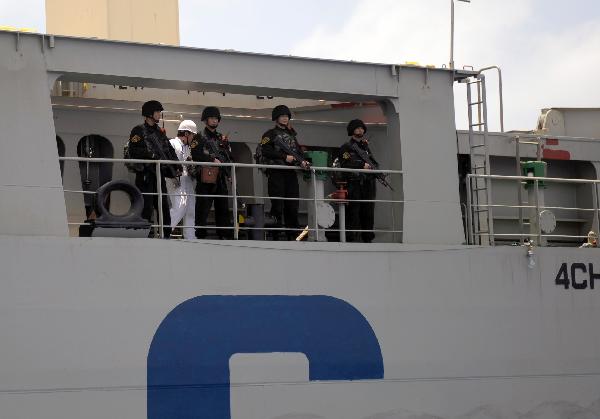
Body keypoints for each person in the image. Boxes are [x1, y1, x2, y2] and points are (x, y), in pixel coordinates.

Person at [126, 100, 180, 238]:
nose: (159, 115)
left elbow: (169, 150)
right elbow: (134, 150)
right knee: (146, 205)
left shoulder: (159, 132)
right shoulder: (138, 130)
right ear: (149, 113)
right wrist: (151, 155)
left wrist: (176, 165)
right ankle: (144, 234)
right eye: (157, 112)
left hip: (158, 174)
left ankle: (166, 233)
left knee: (163, 206)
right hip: (145, 174)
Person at [259, 105, 310, 240]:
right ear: (276, 118)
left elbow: (298, 152)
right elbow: (265, 150)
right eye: (282, 116)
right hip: (277, 173)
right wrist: (283, 157)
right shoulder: (270, 134)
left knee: (292, 205)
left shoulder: (292, 135)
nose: (285, 118)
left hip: (290, 174)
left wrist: (302, 161)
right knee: (277, 205)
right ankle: (274, 235)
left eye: (286, 116)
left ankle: (293, 235)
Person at [191, 106, 233, 239]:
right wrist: (211, 159)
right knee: (202, 209)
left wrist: (229, 172)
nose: (214, 121)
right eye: (211, 118)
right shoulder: (199, 137)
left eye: (216, 118)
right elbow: (196, 154)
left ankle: (224, 236)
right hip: (206, 178)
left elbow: (229, 156)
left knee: (223, 208)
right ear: (205, 120)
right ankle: (200, 236)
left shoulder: (222, 138)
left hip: (220, 178)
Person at [339, 119, 376, 243]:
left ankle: (368, 239)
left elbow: (373, 162)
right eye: (357, 128)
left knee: (368, 212)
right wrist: (361, 166)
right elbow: (345, 163)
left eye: (362, 128)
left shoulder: (365, 147)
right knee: (353, 212)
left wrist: (376, 170)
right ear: (352, 131)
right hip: (354, 184)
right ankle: (350, 239)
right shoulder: (346, 147)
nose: (360, 130)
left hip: (367, 184)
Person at [166, 120, 197, 240]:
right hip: (175, 179)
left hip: (187, 179)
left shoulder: (188, 148)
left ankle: (190, 236)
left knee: (190, 209)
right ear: (186, 134)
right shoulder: (173, 143)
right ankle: (166, 231)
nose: (193, 138)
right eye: (192, 135)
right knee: (180, 207)